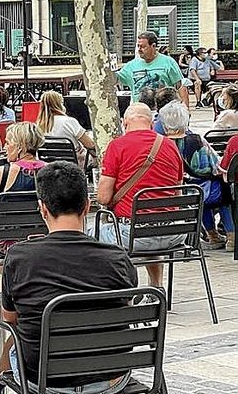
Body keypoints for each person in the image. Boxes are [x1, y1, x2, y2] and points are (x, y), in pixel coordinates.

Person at [0, 161, 137, 394]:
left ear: (42, 209)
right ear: (87, 206)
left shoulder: (19, 258)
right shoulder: (118, 258)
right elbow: (126, 307)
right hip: (109, 379)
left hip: (44, 380)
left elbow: (10, 318)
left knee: (14, 337)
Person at [96, 103, 184, 289]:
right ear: (151, 123)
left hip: (132, 235)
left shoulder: (117, 146)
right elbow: (178, 193)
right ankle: (156, 285)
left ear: (124, 123)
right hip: (173, 234)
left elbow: (103, 198)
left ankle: (119, 289)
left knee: (90, 234)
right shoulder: (170, 145)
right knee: (149, 220)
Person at [158, 101, 233, 251]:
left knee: (200, 195)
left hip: (183, 192)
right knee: (224, 192)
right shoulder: (196, 140)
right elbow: (214, 166)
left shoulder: (161, 144)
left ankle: (213, 235)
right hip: (207, 190)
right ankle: (232, 237)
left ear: (165, 124)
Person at [0, 122, 47, 206]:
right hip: (41, 218)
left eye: (7, 143)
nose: (4, 147)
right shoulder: (52, 171)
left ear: (19, 147)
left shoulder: (3, 172)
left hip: (7, 218)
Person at [35, 90, 96, 168]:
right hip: (73, 164)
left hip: (48, 165)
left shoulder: (38, 126)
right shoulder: (69, 122)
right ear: (59, 105)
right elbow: (90, 144)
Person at [115, 31, 183, 102]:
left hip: (163, 109)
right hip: (140, 109)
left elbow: (181, 87)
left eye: (143, 47)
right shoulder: (131, 66)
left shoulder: (168, 62)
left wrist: (185, 108)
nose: (139, 49)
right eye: (138, 46)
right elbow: (116, 79)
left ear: (153, 46)